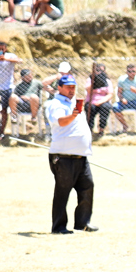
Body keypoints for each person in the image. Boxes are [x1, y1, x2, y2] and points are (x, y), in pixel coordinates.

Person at [45, 74, 98, 234]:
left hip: (80, 156)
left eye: (73, 87)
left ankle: (82, 222)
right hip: (63, 156)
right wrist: (74, 114)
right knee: (63, 190)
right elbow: (61, 121)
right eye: (68, 87)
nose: (71, 90)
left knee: (87, 186)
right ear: (59, 87)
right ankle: (59, 226)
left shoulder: (74, 103)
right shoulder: (56, 104)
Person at [113, 64, 136, 134]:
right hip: (125, 102)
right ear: (126, 72)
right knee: (115, 107)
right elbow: (119, 93)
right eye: (129, 71)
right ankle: (125, 126)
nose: (131, 73)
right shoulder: (122, 80)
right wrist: (122, 99)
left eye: (133, 71)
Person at [0, 40, 22, 140]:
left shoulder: (10, 56)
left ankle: (1, 132)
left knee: (4, 111)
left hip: (7, 87)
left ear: (5, 49)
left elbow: (20, 60)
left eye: (2, 49)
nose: (0, 51)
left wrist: (5, 59)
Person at [84, 63, 113, 138]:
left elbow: (110, 94)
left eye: (101, 70)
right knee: (90, 108)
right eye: (97, 70)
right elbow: (88, 91)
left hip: (103, 101)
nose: (99, 72)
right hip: (92, 101)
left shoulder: (107, 81)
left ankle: (101, 130)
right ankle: (90, 130)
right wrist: (94, 83)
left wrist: (100, 102)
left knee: (105, 108)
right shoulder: (90, 80)